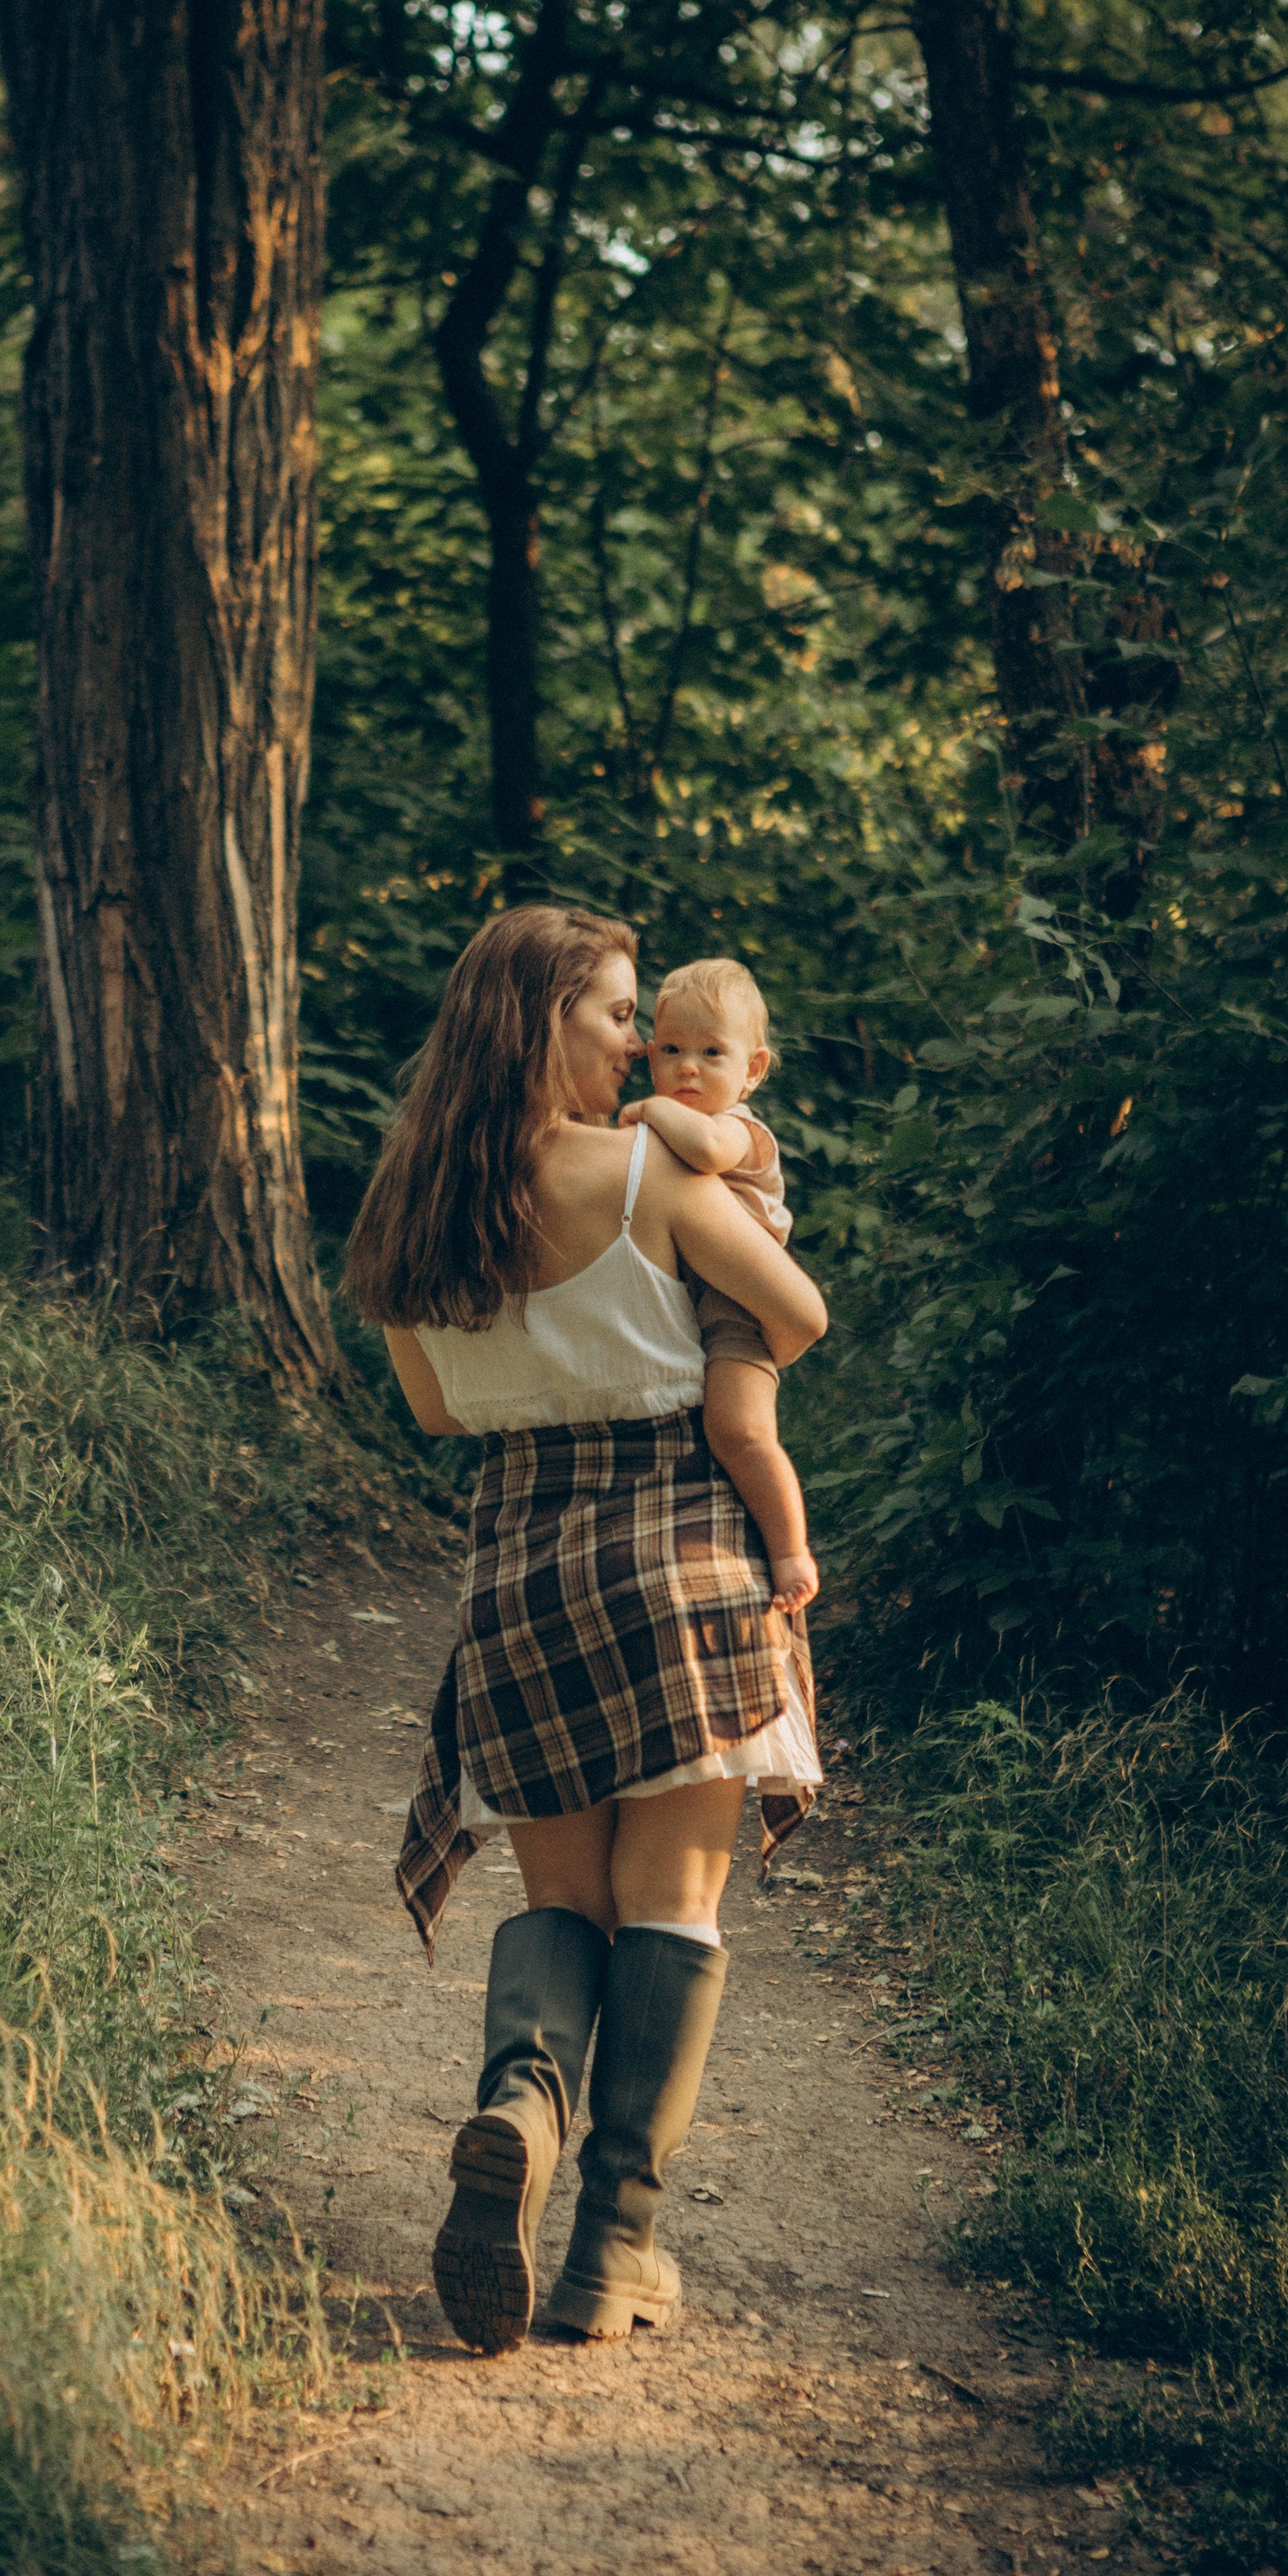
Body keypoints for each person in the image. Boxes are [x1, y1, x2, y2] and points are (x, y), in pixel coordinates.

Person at [345, 905, 829, 2357]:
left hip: (520, 1571)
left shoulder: (406, 1204)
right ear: (544, 1020)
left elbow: (436, 1412)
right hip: (678, 1551)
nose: (636, 1042)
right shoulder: (640, 1176)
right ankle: (609, 2255)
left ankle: (519, 2111)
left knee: (564, 1902)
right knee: (675, 1905)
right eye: (618, 1014)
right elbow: (796, 1312)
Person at [622, 956, 818, 1614]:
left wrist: (647, 1110)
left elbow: (705, 1152)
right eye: (671, 1049)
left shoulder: (740, 1131)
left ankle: (790, 1550)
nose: (687, 1069)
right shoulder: (670, 1126)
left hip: (740, 1309)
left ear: (752, 1071)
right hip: (689, 1302)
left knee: (739, 1430)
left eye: (712, 1053)